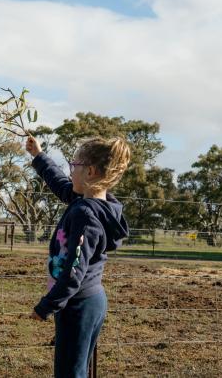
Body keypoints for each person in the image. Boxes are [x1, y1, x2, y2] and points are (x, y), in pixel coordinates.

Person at [25, 134, 131, 378]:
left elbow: (73, 271)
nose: (70, 170)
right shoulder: (97, 205)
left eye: (74, 166)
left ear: (90, 171)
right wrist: (39, 157)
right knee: (78, 369)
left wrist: (46, 306)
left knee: (70, 373)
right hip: (88, 300)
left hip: (78, 305)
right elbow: (61, 185)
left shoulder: (85, 214)